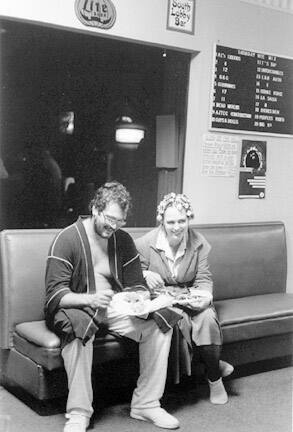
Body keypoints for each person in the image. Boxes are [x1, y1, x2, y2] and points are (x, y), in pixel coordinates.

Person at [44, 182, 180, 432]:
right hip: (78, 306)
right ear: (95, 209)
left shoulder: (123, 239)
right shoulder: (67, 239)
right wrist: (89, 299)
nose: (114, 226)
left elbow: (136, 284)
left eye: (120, 221)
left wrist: (138, 299)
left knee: (162, 319)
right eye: (110, 219)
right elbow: (55, 295)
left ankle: (146, 404)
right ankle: (79, 412)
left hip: (115, 307)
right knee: (78, 329)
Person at [135, 192, 234, 406]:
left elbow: (204, 278)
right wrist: (144, 275)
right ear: (161, 220)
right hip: (162, 300)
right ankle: (212, 364)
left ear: (189, 219)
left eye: (182, 221)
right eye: (171, 222)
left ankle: (215, 381)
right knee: (178, 321)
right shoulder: (144, 244)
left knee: (207, 318)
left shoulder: (199, 242)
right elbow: (133, 277)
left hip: (191, 295)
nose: (177, 227)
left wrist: (205, 298)